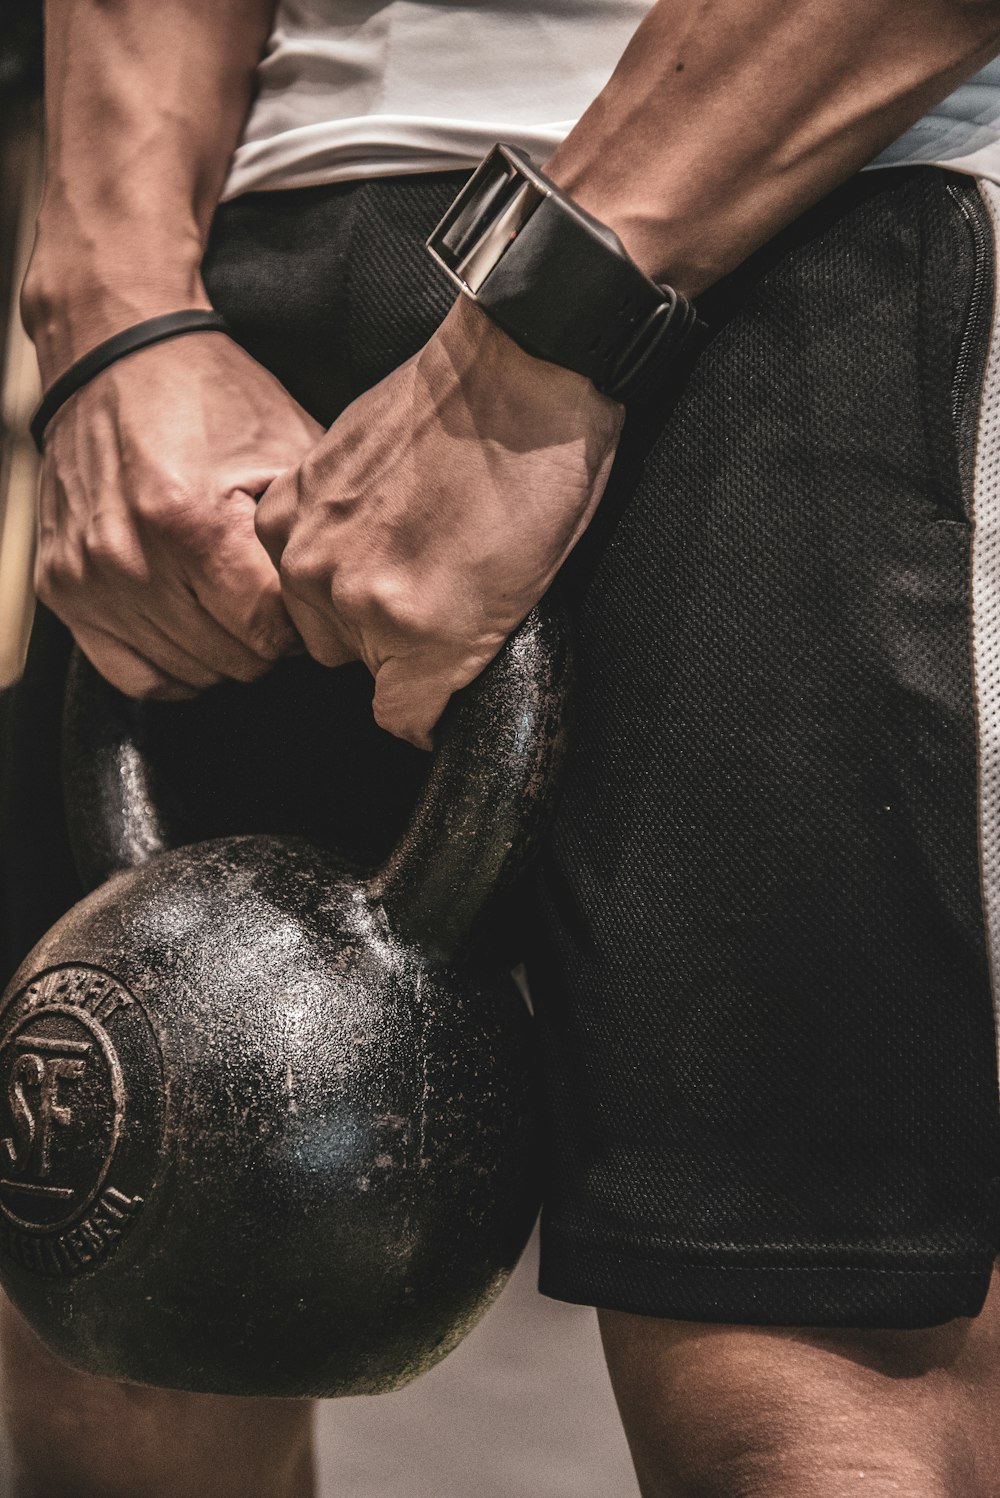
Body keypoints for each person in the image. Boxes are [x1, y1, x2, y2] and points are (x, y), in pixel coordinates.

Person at [5, 0, 1000, 1493]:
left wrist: (539, 331)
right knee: (123, 1357)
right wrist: (110, 307)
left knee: (800, 1401)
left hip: (814, 216)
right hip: (233, 294)